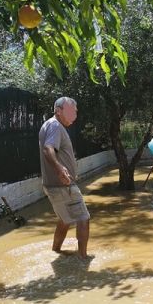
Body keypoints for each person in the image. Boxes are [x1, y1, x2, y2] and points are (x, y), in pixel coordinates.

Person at [39, 97, 91, 259]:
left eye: (75, 111)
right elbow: (48, 149)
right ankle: (83, 260)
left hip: (53, 186)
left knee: (65, 219)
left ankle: (56, 251)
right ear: (58, 110)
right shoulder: (55, 125)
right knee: (83, 218)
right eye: (71, 110)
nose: (74, 114)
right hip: (63, 186)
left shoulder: (50, 125)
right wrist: (60, 169)